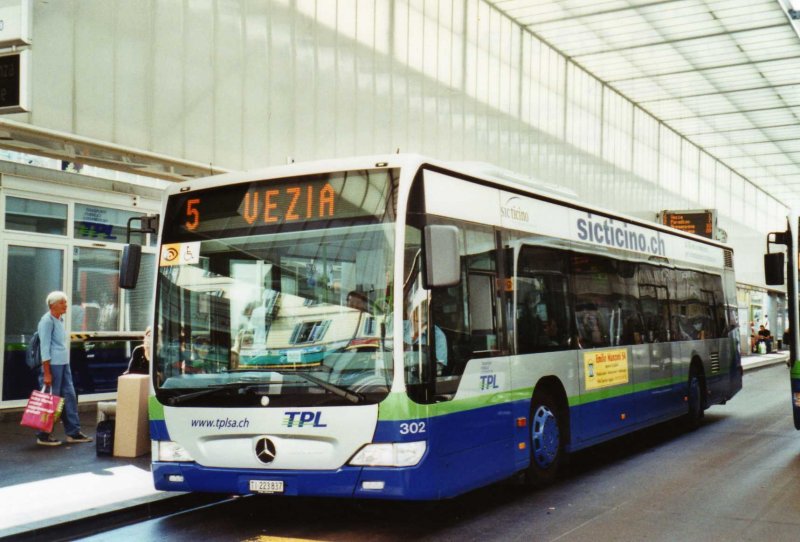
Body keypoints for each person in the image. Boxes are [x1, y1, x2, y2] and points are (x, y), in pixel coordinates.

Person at [35, 291, 93, 446]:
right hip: (52, 365)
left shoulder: (59, 320)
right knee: (51, 399)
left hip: (63, 364)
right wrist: (47, 373)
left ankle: (73, 432)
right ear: (52, 305)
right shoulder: (46, 321)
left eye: (65, 302)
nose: (66, 305)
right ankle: (43, 434)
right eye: (62, 302)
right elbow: (44, 349)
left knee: (69, 396)